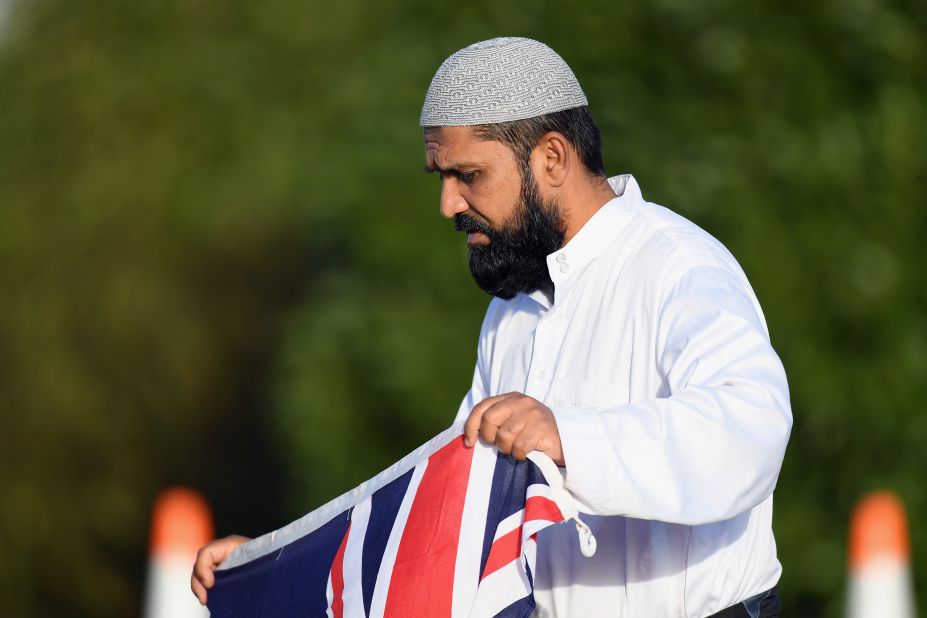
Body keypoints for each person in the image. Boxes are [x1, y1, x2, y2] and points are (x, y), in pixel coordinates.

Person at [193, 37, 791, 617]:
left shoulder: (677, 265)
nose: (448, 205)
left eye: (469, 175)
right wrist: (272, 568)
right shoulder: (513, 309)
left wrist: (569, 438)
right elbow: (453, 514)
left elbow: (750, 430)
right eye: (442, 178)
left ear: (551, 158)